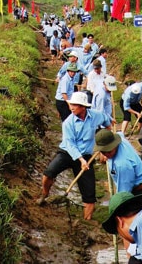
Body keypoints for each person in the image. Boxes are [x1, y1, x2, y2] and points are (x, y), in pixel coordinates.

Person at [37, 91, 113, 219]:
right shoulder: (68, 123)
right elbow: (70, 144)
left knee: (89, 194)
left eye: (75, 105)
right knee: (48, 173)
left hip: (87, 156)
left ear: (83, 107)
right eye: (71, 104)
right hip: (68, 153)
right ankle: (44, 194)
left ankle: (87, 220)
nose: (71, 107)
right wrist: (80, 160)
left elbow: (106, 120)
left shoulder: (95, 116)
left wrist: (106, 137)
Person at [94, 129, 142, 194]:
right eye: (103, 152)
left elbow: (124, 193)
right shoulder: (120, 138)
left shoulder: (122, 165)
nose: (106, 155)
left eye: (109, 151)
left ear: (115, 145)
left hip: (139, 188)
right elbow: (119, 133)